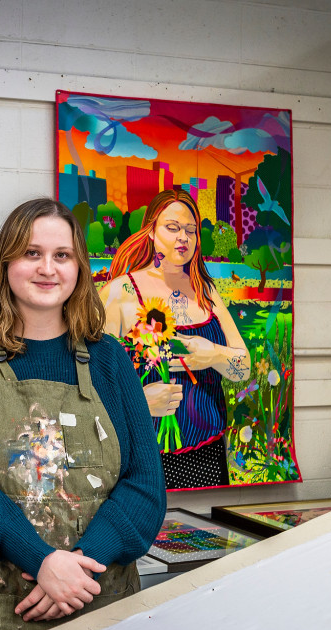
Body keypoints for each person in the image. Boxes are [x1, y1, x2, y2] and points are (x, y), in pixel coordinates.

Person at [0, 197, 165, 630]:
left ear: (79, 268)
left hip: (99, 623)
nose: (47, 268)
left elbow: (145, 486)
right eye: (32, 253)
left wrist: (76, 571)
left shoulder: (109, 359)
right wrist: (42, 562)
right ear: (6, 262)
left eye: (62, 255)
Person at [98, 189, 250, 489]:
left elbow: (243, 367)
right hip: (143, 454)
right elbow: (91, 383)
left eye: (191, 231)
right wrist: (140, 402)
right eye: (173, 227)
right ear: (152, 231)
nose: (184, 237)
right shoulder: (121, 293)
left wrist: (214, 355)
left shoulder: (205, 290)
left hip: (208, 450)